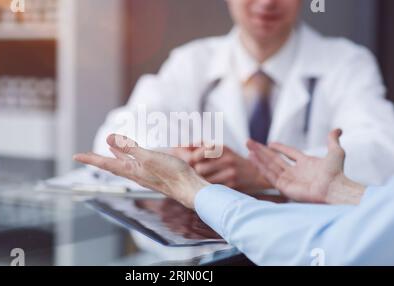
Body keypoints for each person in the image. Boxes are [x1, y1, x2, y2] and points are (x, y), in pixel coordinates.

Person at [94, 0, 394, 191]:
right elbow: (116, 135)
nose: (266, 3)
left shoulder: (346, 63)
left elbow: (382, 150)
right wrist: (167, 159)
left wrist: (265, 174)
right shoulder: (191, 62)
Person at [74, 131, 394, 266]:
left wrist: (193, 188)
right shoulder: (189, 61)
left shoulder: (346, 60)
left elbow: (333, 251)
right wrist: (349, 193)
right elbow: (120, 124)